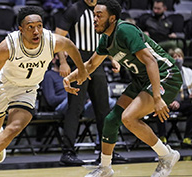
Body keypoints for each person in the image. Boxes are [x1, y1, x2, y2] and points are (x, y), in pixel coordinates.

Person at [0, 6, 89, 177]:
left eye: (39, 26)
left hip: (27, 89)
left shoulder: (51, 41)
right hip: (4, 85)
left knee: (15, 126)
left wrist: (80, 69)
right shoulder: (8, 46)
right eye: (30, 27)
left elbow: (70, 46)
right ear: (21, 30)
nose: (36, 31)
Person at [63, 0, 183, 176]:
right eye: (94, 15)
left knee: (128, 118)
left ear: (112, 18)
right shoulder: (105, 38)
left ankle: (166, 155)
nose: (94, 19)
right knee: (111, 120)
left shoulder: (125, 30)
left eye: (99, 15)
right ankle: (105, 168)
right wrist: (70, 77)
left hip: (165, 74)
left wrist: (157, 98)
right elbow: (90, 65)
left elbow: (150, 61)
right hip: (141, 79)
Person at [55, 0, 111, 165]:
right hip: (78, 61)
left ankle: (107, 152)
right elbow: (58, 36)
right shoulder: (74, 9)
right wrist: (63, 62)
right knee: (75, 108)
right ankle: (68, 152)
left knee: (103, 109)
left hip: (97, 61)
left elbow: (105, 36)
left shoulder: (102, 10)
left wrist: (112, 58)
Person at [157, 48, 192, 148]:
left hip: (183, 102)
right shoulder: (164, 73)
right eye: (174, 57)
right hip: (167, 102)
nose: (177, 59)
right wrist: (170, 101)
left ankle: (187, 138)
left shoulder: (189, 72)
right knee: (159, 108)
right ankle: (162, 137)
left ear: (183, 58)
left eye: (179, 56)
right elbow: (160, 91)